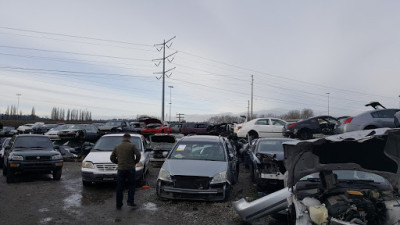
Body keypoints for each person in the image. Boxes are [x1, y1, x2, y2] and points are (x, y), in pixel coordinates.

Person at [110, 133, 141, 209]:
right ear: (129, 138)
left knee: (120, 187)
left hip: (121, 169)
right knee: (131, 186)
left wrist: (117, 162)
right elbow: (138, 154)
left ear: (123, 138)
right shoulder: (132, 146)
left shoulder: (117, 146)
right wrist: (135, 162)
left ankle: (119, 205)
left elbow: (112, 157)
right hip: (130, 169)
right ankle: (130, 201)